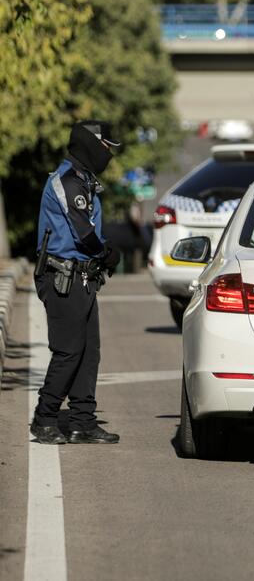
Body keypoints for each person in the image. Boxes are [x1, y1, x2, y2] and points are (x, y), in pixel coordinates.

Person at [29, 121, 122, 445]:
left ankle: (83, 422)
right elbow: (83, 233)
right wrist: (106, 253)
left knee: (88, 353)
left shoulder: (84, 180)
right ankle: (44, 420)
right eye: (106, 146)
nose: (108, 153)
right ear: (90, 144)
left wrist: (101, 259)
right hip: (62, 278)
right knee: (68, 352)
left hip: (81, 277)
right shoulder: (67, 181)